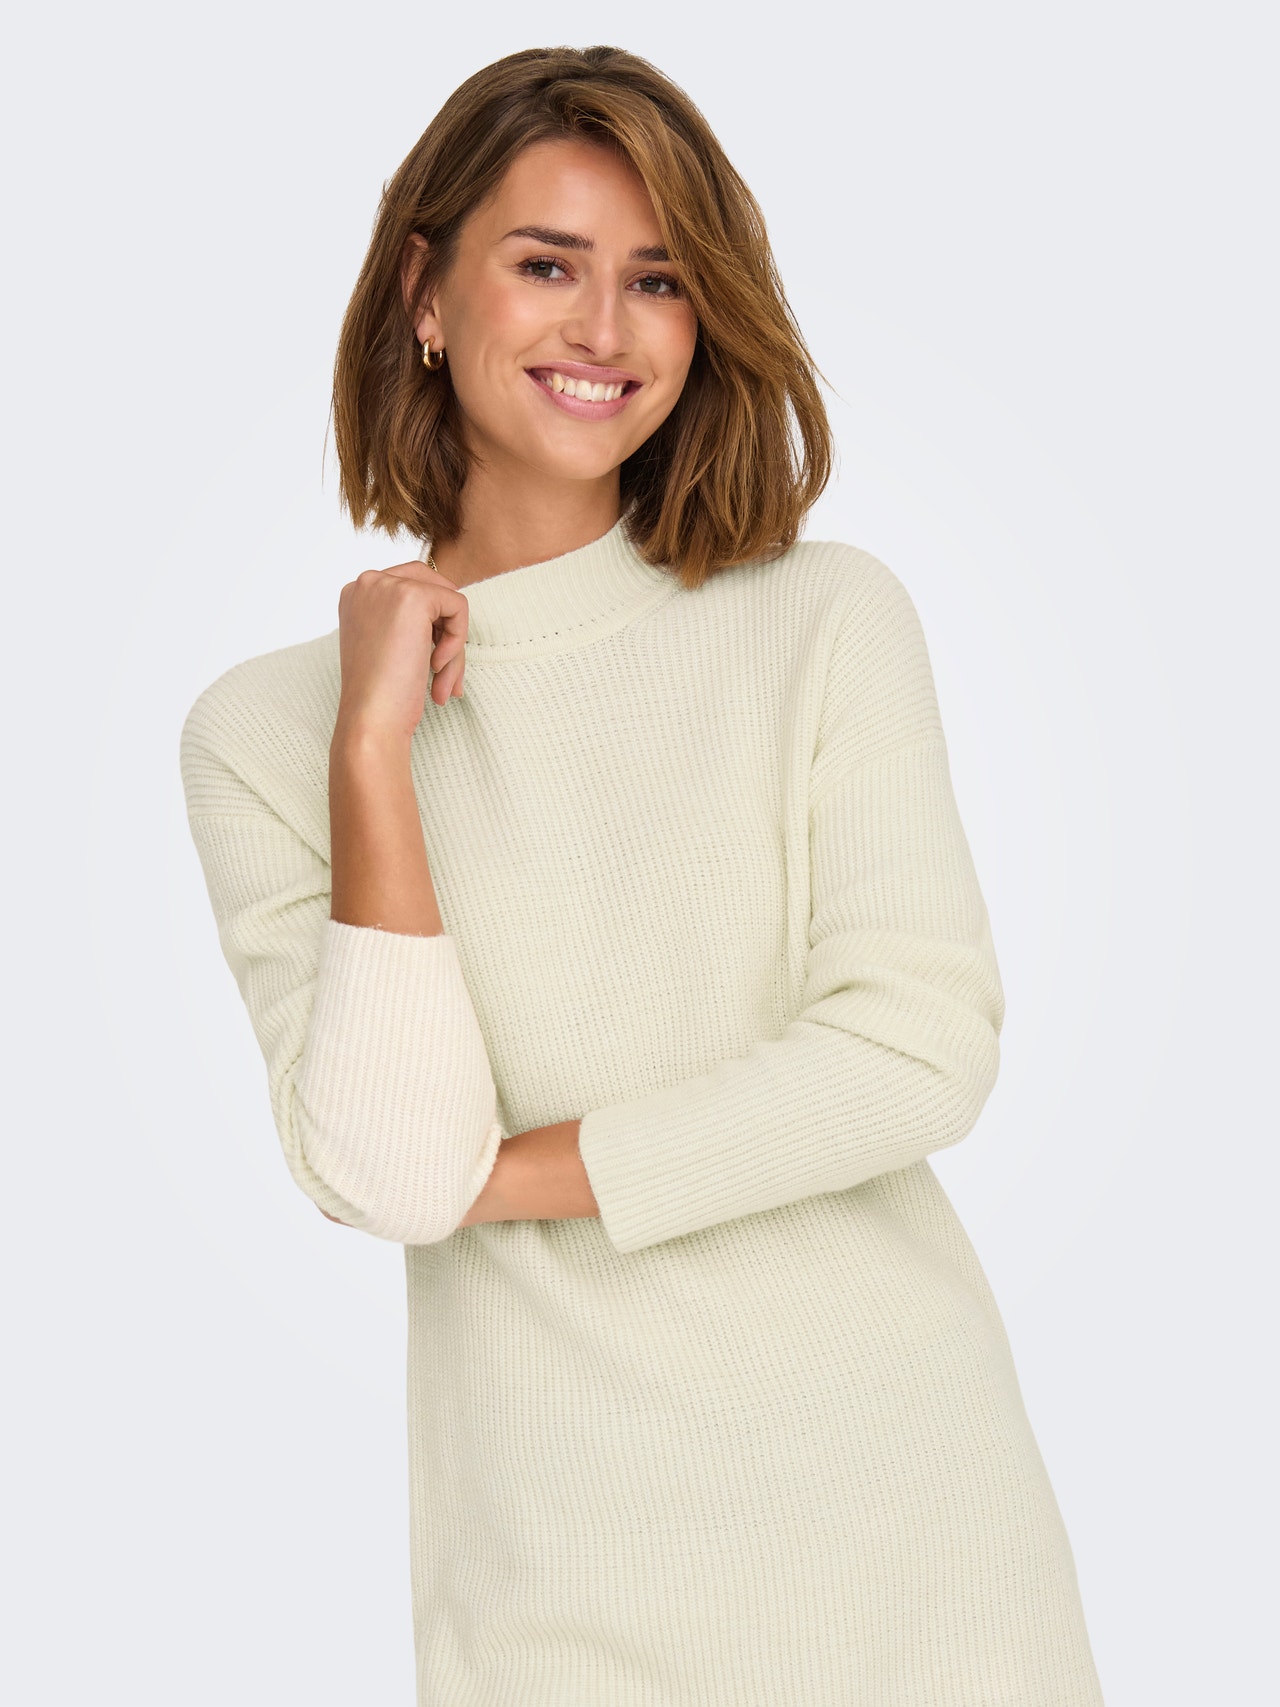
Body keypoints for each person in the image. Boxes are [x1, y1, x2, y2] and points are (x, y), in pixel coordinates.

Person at [179, 44, 1106, 1706]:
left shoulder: (821, 618)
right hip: (552, 1577)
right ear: (426, 293)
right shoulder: (268, 734)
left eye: (659, 281)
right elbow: (388, 1158)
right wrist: (373, 752)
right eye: (548, 265)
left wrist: (494, 1181)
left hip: (912, 1538)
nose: (605, 328)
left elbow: (914, 1051)